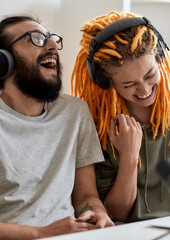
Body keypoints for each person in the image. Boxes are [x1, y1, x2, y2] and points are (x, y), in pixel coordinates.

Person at [71, 11, 170, 223]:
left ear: (161, 59)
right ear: (105, 81)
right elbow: (116, 213)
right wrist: (129, 156)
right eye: (129, 85)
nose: (144, 89)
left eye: (150, 75)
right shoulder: (100, 124)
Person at [0, 15, 114, 239]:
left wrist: (95, 213)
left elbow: (86, 195)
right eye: (35, 39)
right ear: (3, 61)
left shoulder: (75, 112)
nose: (52, 45)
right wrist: (39, 233)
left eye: (51, 39)